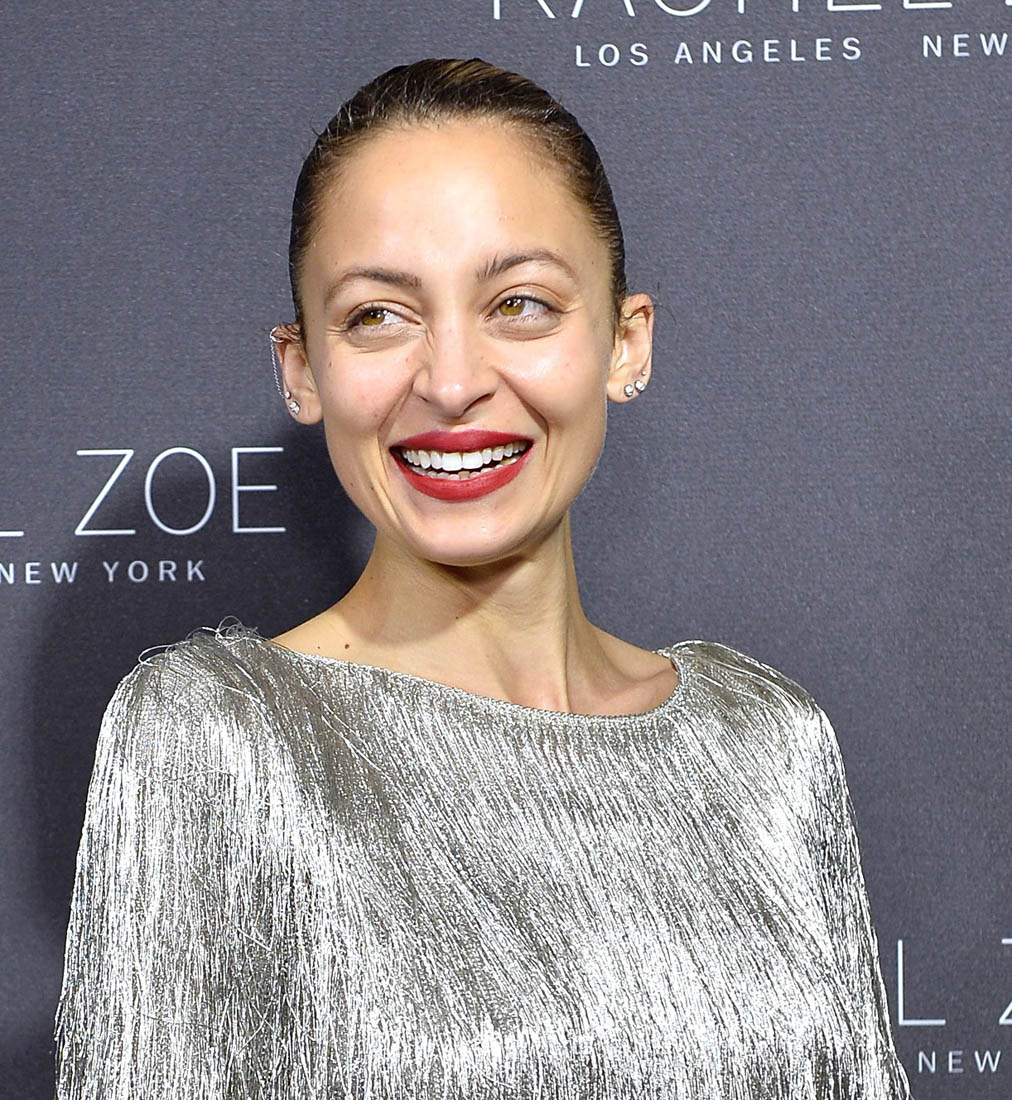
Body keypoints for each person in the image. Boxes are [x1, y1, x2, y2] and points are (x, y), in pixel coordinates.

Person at [53, 58, 913, 1098]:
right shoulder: (221, 738)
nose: (453, 382)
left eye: (520, 303)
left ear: (625, 343)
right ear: (302, 368)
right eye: (378, 315)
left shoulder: (765, 742)